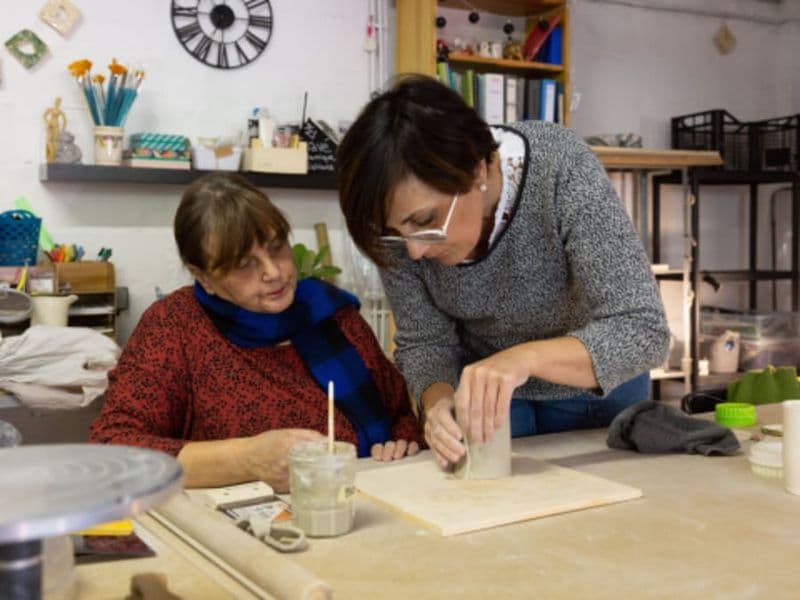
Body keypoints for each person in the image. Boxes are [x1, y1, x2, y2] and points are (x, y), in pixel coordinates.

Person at [337, 75, 670, 469]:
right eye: (394, 234)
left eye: (425, 220)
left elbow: (642, 330)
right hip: (487, 405)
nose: (414, 250)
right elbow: (425, 341)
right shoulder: (401, 234)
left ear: (478, 168)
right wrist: (437, 402)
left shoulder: (559, 166)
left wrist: (522, 359)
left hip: (597, 397)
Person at [90, 173, 420, 490]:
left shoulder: (330, 313)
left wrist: (399, 446)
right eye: (244, 264)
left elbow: (399, 413)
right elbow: (113, 450)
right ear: (203, 276)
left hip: (357, 511)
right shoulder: (174, 327)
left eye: (277, 247)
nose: (273, 272)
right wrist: (246, 460)